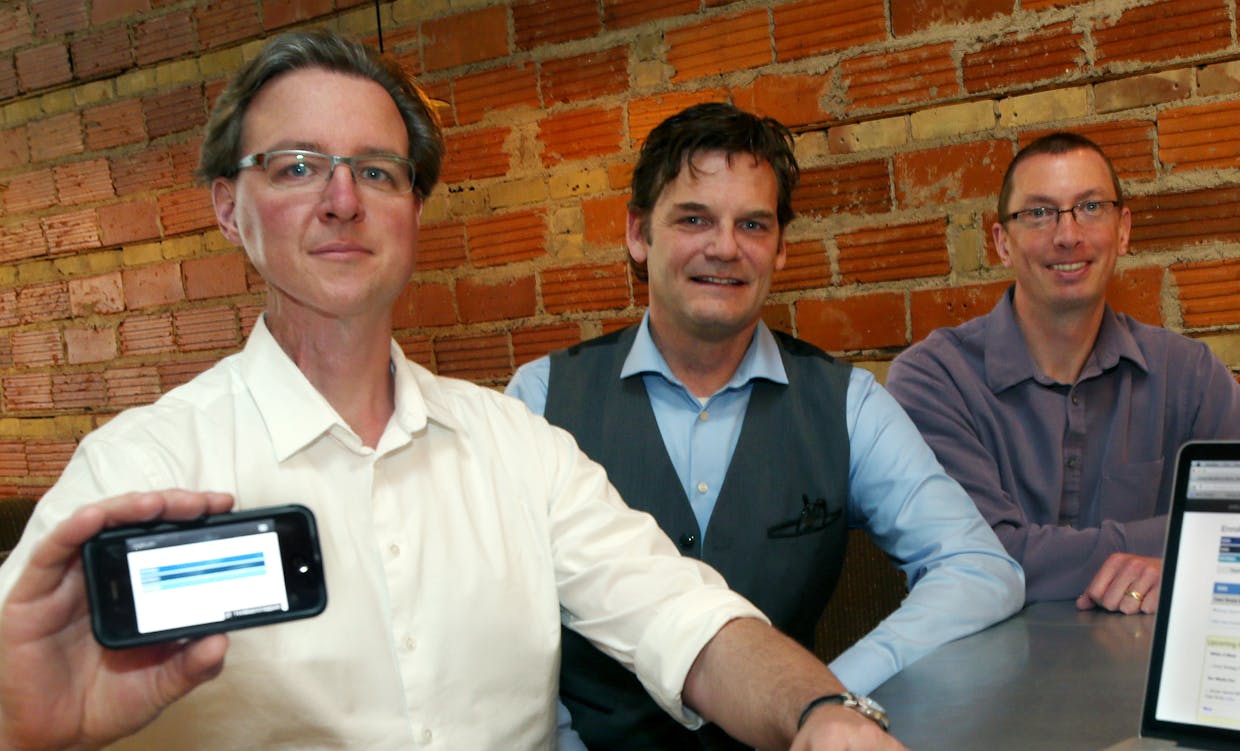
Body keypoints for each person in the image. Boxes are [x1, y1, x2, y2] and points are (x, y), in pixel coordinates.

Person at [0, 32, 908, 751]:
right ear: (228, 208)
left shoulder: (514, 443)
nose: (343, 199)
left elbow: (685, 618)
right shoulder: (137, 470)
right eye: (296, 166)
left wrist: (819, 711)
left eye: (378, 170)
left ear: (414, 211)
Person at [506, 102, 1025, 750]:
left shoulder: (847, 403)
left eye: (752, 224)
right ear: (639, 233)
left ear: (780, 248)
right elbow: (506, 623)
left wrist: (823, 699)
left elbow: (979, 568)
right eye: (694, 218)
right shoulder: (541, 397)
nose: (725, 247)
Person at [886, 132, 1240, 616]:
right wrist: (1190, 546)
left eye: (1091, 207)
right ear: (1002, 243)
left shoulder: (1186, 373)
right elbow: (984, 559)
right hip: (985, 680)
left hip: (1144, 677)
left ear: (1123, 230)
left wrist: (1179, 563)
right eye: (1038, 213)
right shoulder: (934, 379)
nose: (1068, 235)